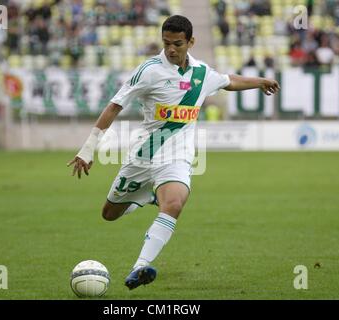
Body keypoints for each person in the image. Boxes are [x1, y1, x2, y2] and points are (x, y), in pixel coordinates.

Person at [67, 15, 280, 290]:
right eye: (166, 43)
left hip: (177, 158)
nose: (171, 49)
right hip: (143, 157)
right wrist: (87, 150)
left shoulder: (202, 73)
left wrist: (260, 81)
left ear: (191, 41)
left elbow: (229, 81)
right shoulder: (149, 70)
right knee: (109, 214)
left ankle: (139, 267)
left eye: (177, 43)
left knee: (175, 204)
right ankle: (146, 197)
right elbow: (114, 106)